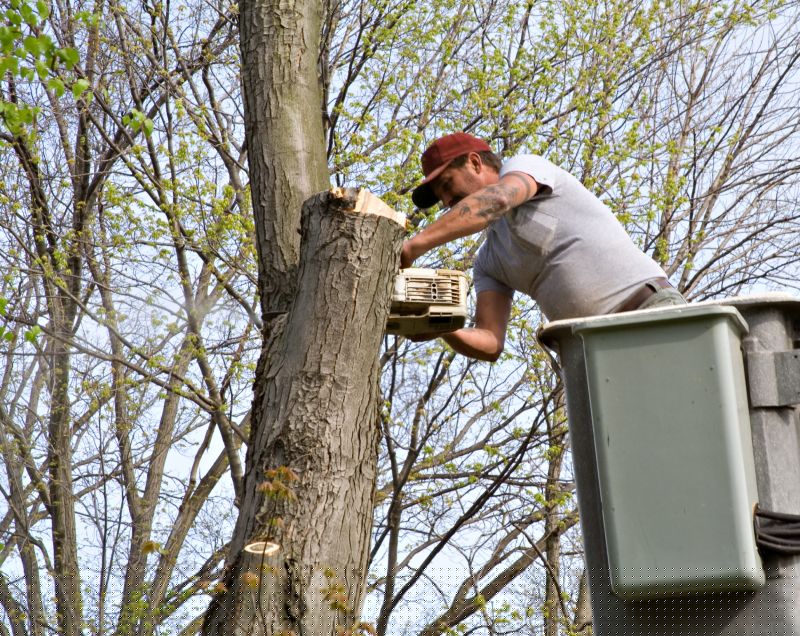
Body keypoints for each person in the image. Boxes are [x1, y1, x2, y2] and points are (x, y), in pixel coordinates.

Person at [400, 131, 686, 361]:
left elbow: (498, 200)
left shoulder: (525, 167)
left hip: (649, 313)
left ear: (475, 163)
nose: (448, 201)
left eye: (448, 185)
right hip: (594, 353)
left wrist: (414, 246)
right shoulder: (489, 261)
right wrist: (439, 324)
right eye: (442, 198)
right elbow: (489, 341)